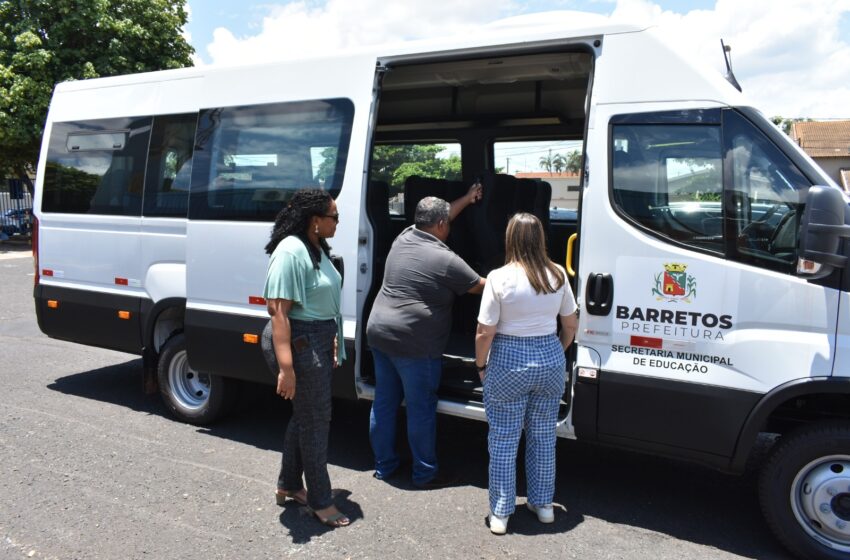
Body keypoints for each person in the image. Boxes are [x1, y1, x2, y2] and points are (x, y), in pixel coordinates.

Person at [366, 186, 485, 488]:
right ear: (442, 225)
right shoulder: (444, 259)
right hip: (414, 343)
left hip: (380, 332)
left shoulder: (404, 236)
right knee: (420, 409)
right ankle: (424, 473)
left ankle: (384, 466)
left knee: (384, 402)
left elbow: (443, 215)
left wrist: (468, 198)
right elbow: (480, 286)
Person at [474, 212, 578, 535]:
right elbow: (571, 324)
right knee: (544, 435)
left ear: (510, 239)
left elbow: (484, 331)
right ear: (541, 239)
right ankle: (543, 505)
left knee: (504, 438)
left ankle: (502, 514)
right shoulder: (558, 274)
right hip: (549, 357)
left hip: (508, 358)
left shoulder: (499, 277)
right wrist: (554, 352)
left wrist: (480, 365)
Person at [260, 188, 350, 528]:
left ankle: (289, 484)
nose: (338, 223)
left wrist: (333, 336)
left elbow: (322, 299)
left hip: (317, 337)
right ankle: (320, 500)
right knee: (315, 421)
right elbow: (278, 313)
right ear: (316, 221)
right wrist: (287, 369)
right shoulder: (290, 251)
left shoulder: (315, 246)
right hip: (299, 341)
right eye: (334, 217)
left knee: (306, 415)